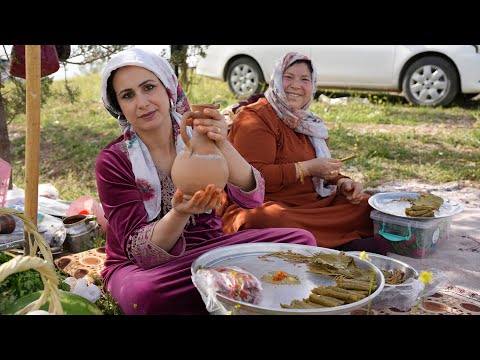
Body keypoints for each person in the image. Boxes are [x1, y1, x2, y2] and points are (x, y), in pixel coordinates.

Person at [95, 47, 317, 315]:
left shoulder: (201, 133)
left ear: (167, 89)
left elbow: (253, 197)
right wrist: (179, 213)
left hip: (214, 252)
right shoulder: (113, 161)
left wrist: (222, 142)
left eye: (149, 87)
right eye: (128, 95)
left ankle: (220, 292)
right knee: (144, 294)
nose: (142, 103)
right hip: (150, 270)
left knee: (301, 242)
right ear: (119, 106)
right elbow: (142, 254)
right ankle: (232, 293)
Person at [221, 51, 381, 253]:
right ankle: (334, 241)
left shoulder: (310, 124)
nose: (296, 85)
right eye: (288, 77)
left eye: (305, 79)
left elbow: (322, 168)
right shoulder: (256, 117)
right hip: (267, 205)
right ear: (276, 80)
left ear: (313, 86)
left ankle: (314, 242)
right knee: (263, 220)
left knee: (367, 205)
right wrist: (307, 169)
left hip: (309, 206)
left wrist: (342, 183)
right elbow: (253, 178)